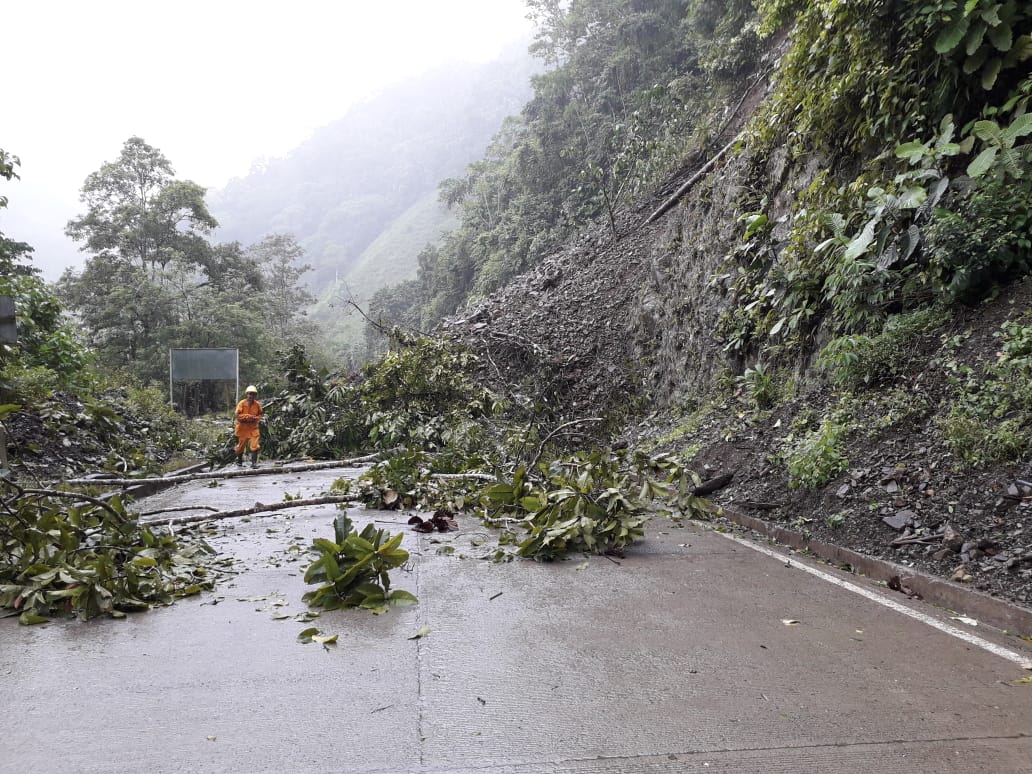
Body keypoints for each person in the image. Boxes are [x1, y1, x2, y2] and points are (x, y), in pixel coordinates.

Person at [233, 385, 263, 468]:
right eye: (250, 394)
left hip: (253, 428)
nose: (251, 396)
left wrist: (255, 418)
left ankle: (254, 463)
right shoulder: (241, 403)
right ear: (247, 394)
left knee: (255, 445)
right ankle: (239, 462)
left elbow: (260, 414)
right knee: (241, 446)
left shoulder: (257, 405)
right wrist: (247, 417)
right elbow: (237, 415)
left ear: (255, 395)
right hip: (242, 428)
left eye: (253, 394)